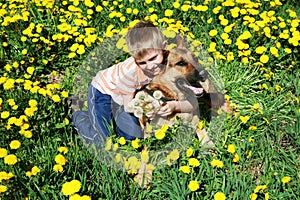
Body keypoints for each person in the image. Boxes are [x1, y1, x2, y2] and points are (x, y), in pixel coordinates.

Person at [72, 20, 198, 148]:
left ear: (164, 47)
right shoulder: (130, 73)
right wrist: (146, 109)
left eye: (153, 58)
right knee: (103, 141)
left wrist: (174, 105)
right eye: (142, 62)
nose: (150, 66)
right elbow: (128, 107)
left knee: (131, 138)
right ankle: (78, 116)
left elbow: (189, 99)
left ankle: (118, 125)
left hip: (128, 95)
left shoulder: (172, 62)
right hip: (104, 92)